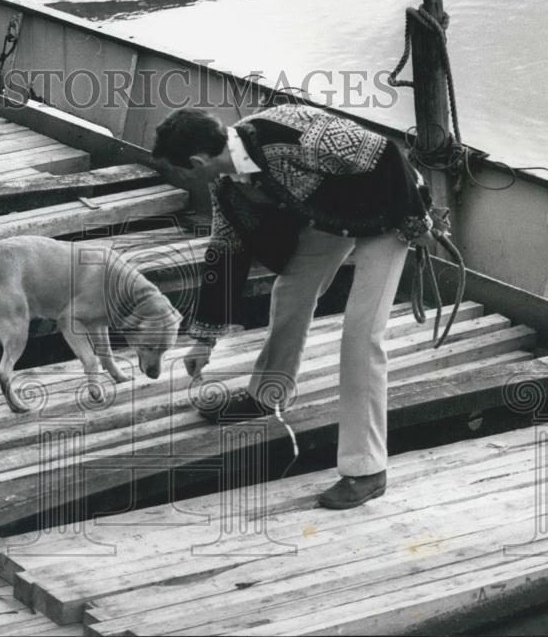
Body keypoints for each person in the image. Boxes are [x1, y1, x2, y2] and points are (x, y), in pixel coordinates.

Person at [152, 103, 433, 509]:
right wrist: (203, 341)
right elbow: (226, 249)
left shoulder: (290, 134)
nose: (182, 179)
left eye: (181, 173)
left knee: (360, 335)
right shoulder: (225, 183)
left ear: (197, 162)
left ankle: (366, 469)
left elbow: (386, 154)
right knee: (290, 292)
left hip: (392, 210)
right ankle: (267, 393)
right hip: (332, 216)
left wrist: (416, 221)